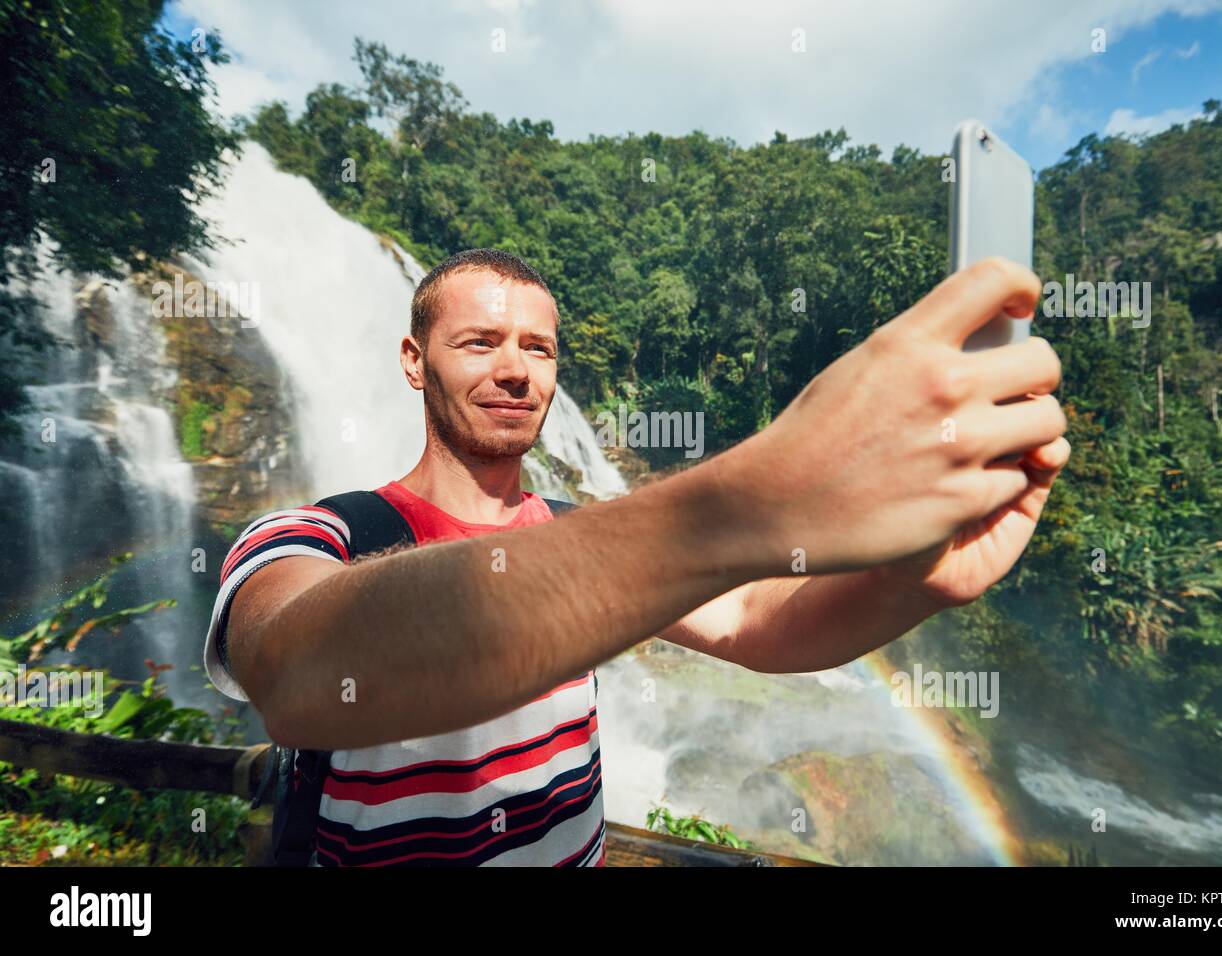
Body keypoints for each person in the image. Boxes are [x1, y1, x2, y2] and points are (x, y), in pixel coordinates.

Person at [204, 247, 1069, 866]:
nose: (515, 370)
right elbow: (296, 674)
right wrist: (751, 497)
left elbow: (757, 623)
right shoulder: (317, 536)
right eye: (479, 343)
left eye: (538, 350)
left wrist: (913, 581)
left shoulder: (591, 533)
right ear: (412, 360)